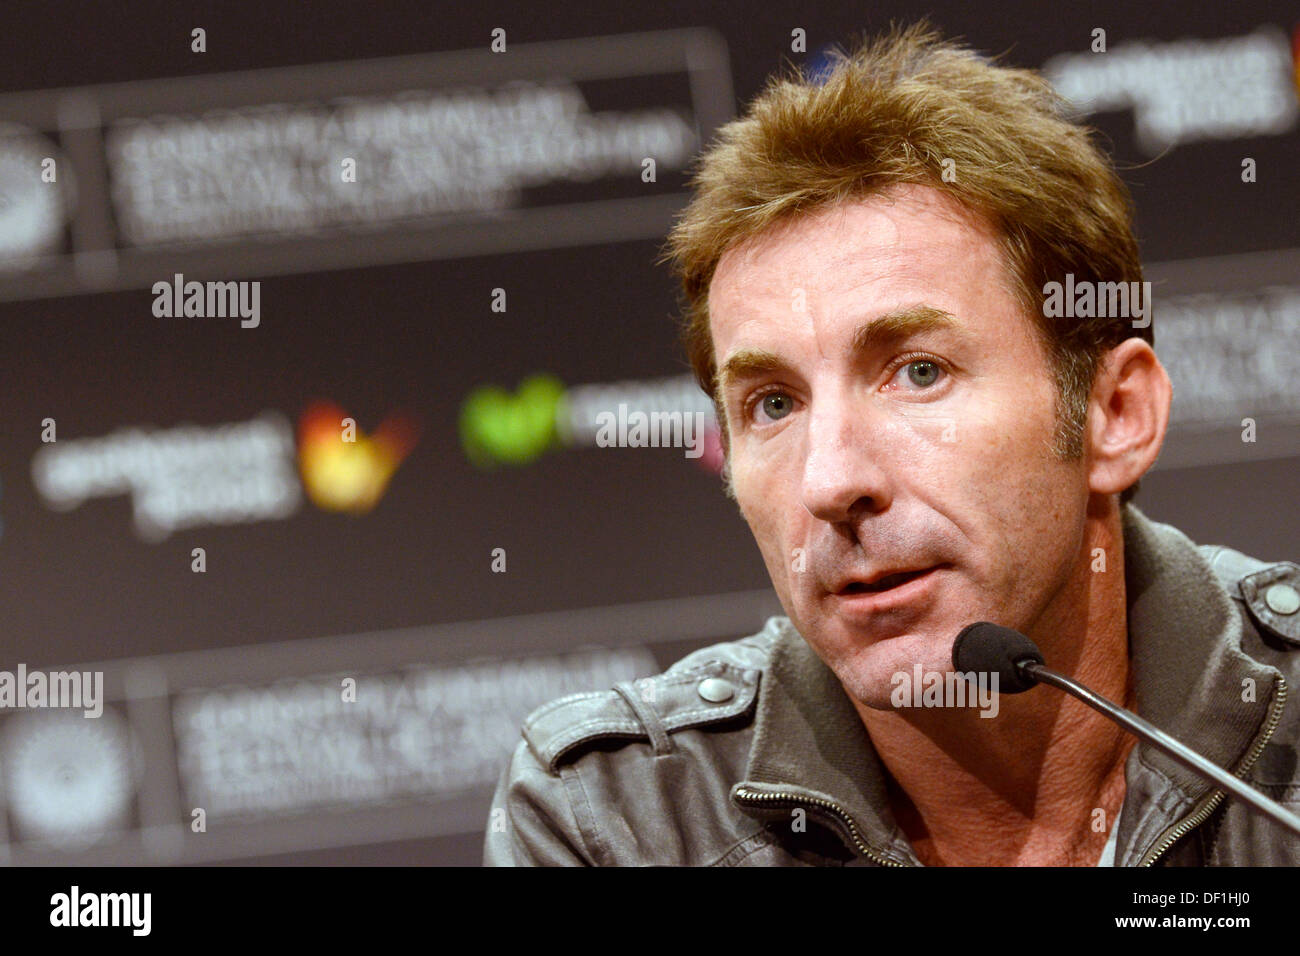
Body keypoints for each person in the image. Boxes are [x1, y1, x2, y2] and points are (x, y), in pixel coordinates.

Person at [483, 21, 1300, 866]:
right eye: (771, 404)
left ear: (1114, 414)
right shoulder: (622, 820)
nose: (831, 481)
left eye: (917, 372)